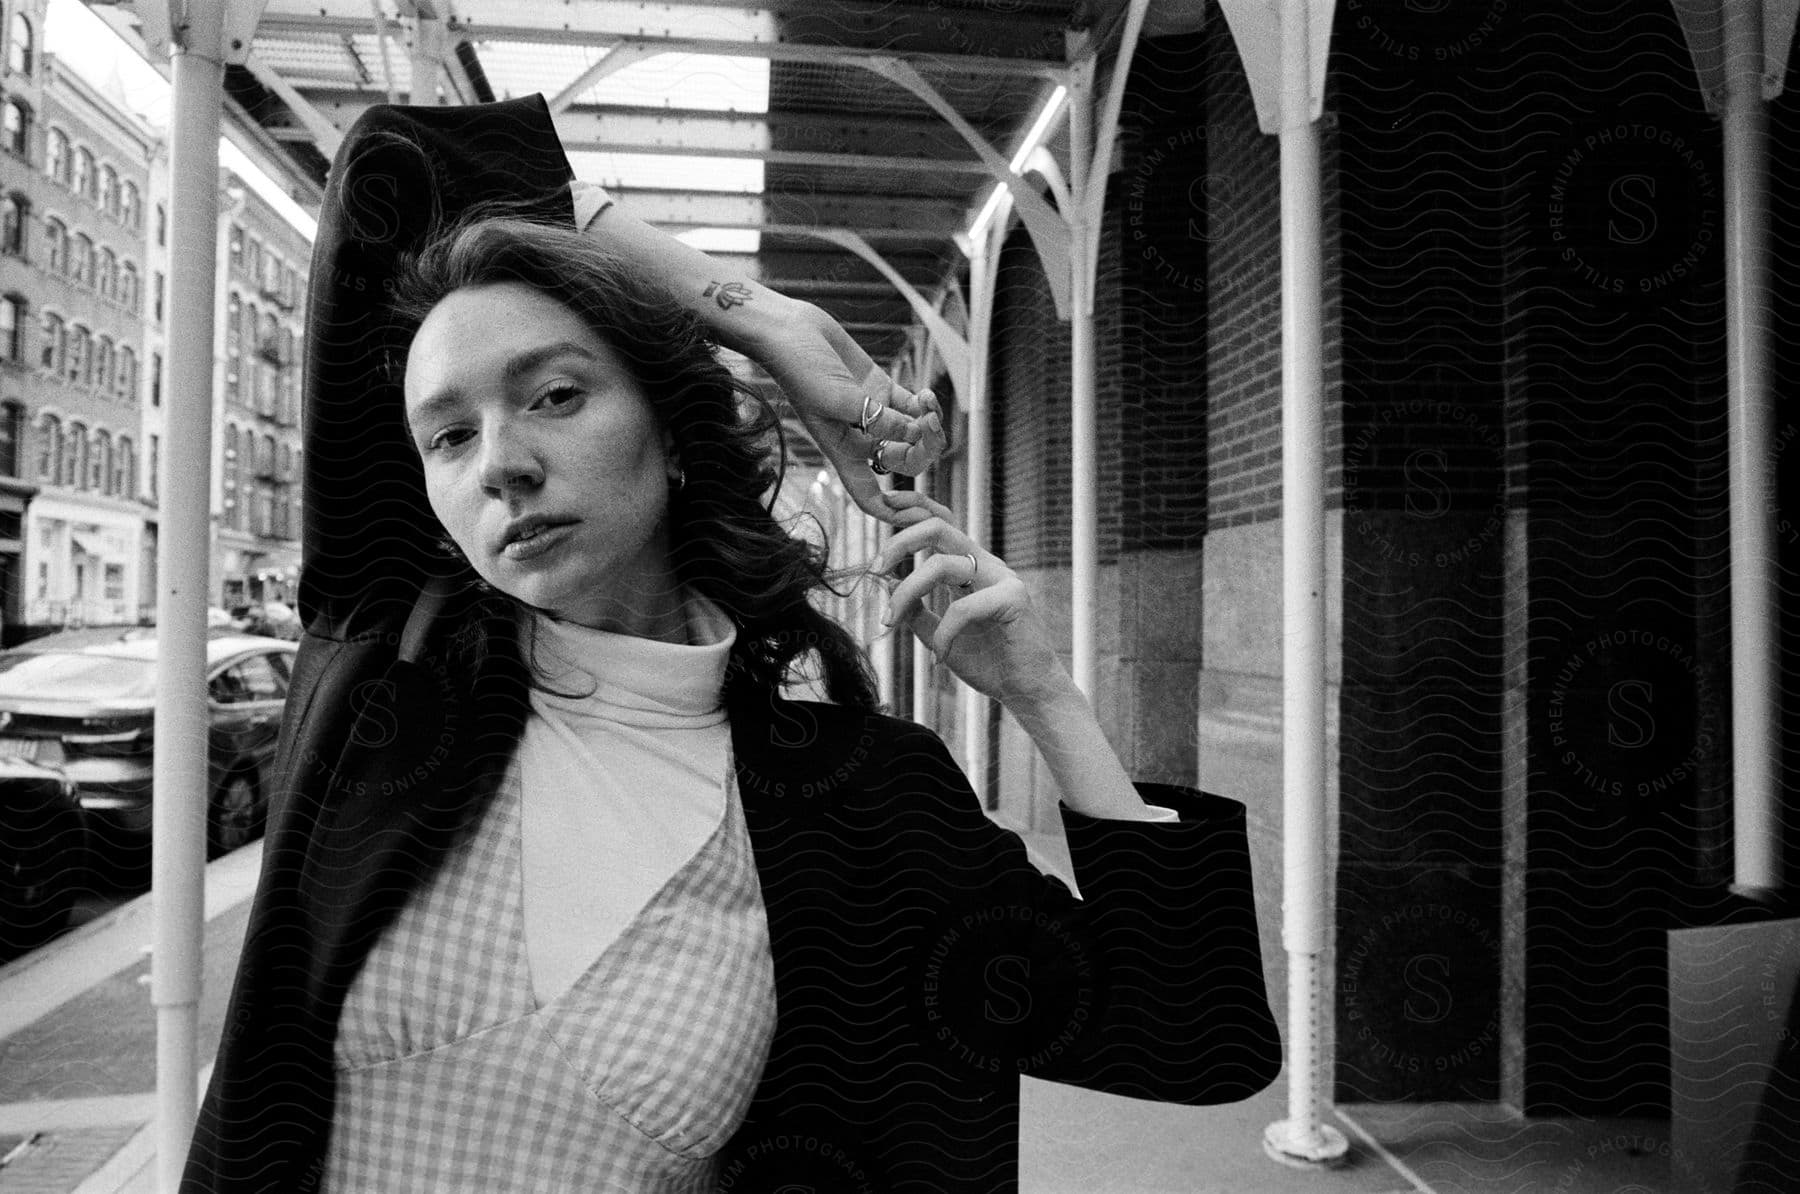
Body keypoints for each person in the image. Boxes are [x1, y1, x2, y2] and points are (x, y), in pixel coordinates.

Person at [181, 96, 1279, 1194]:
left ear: (672, 435)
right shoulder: (388, 685)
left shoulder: (857, 803)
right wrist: (763, 316)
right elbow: (399, 160)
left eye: (556, 395)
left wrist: (1045, 696)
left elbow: (1190, 1039)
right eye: (450, 435)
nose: (500, 462)